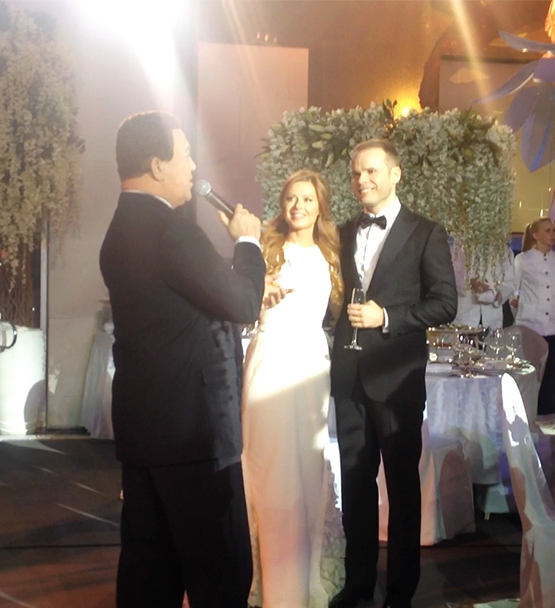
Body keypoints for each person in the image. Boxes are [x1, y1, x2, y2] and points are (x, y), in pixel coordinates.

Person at [99, 110, 265, 608]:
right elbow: (243, 303)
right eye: (186, 154)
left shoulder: (119, 230)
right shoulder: (172, 231)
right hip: (194, 437)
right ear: (157, 165)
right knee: (222, 578)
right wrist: (248, 243)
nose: (193, 166)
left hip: (146, 434)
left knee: (150, 580)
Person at [329, 140, 457, 608]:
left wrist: (386, 317)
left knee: (402, 489)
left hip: (397, 380)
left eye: (371, 171)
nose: (361, 180)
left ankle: (401, 592)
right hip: (348, 379)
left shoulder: (425, 232)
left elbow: (445, 303)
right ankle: (358, 584)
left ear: (395, 174)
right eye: (355, 173)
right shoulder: (342, 232)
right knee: (355, 485)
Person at [242, 169, 345, 608]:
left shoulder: (332, 254)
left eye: (307, 199)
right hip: (269, 362)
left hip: (310, 369)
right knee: (266, 464)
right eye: (290, 198)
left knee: (306, 466)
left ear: (320, 206)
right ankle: (259, 578)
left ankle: (302, 577)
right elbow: (235, 303)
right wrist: (256, 296)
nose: (298, 206)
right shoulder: (265, 249)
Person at [512, 217, 555, 415]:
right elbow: (514, 288)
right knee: (529, 373)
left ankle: (547, 414)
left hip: (552, 324)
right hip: (530, 324)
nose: (552, 234)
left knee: (550, 375)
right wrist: (517, 300)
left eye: (553, 230)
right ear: (536, 235)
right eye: (547, 231)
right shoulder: (522, 260)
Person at [451, 242, 516, 329]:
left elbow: (509, 283)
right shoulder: (458, 249)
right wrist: (470, 283)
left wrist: (496, 294)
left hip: (492, 319)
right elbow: (451, 277)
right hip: (464, 318)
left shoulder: (504, 251)